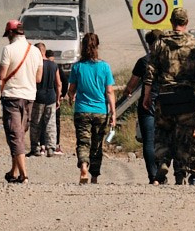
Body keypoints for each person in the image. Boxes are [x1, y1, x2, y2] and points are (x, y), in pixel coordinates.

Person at [143, 7, 195, 184]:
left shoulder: (160, 42)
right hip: (187, 97)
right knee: (184, 137)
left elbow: (151, 70)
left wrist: (147, 95)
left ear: (172, 22)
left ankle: (163, 161)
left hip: (165, 96)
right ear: (186, 23)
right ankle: (180, 174)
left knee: (163, 133)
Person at [0, 18, 44, 184]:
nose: (7, 37)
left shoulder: (8, 49)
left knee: (15, 136)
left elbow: (2, 74)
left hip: (12, 96)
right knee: (20, 135)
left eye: (8, 34)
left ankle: (24, 175)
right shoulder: (35, 51)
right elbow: (38, 78)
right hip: (30, 97)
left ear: (12, 33)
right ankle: (13, 171)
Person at [66, 31, 118, 184]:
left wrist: (71, 96)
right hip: (100, 111)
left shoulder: (78, 67)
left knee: (83, 142)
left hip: (82, 110)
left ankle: (83, 166)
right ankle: (94, 176)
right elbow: (109, 91)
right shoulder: (104, 67)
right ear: (97, 46)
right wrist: (113, 113)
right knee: (97, 144)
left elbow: (72, 89)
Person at [120, 32, 164, 184]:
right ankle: (162, 168)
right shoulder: (168, 61)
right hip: (166, 103)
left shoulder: (143, 61)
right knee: (164, 140)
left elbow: (132, 84)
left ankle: (153, 176)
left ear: (148, 44)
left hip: (147, 104)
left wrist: (127, 92)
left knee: (149, 140)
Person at [29, 42, 65, 157]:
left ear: (38, 52)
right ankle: (50, 148)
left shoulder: (36, 65)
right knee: (51, 123)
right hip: (51, 97)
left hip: (38, 97)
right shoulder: (53, 65)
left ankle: (36, 148)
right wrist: (58, 98)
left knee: (36, 123)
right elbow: (59, 84)